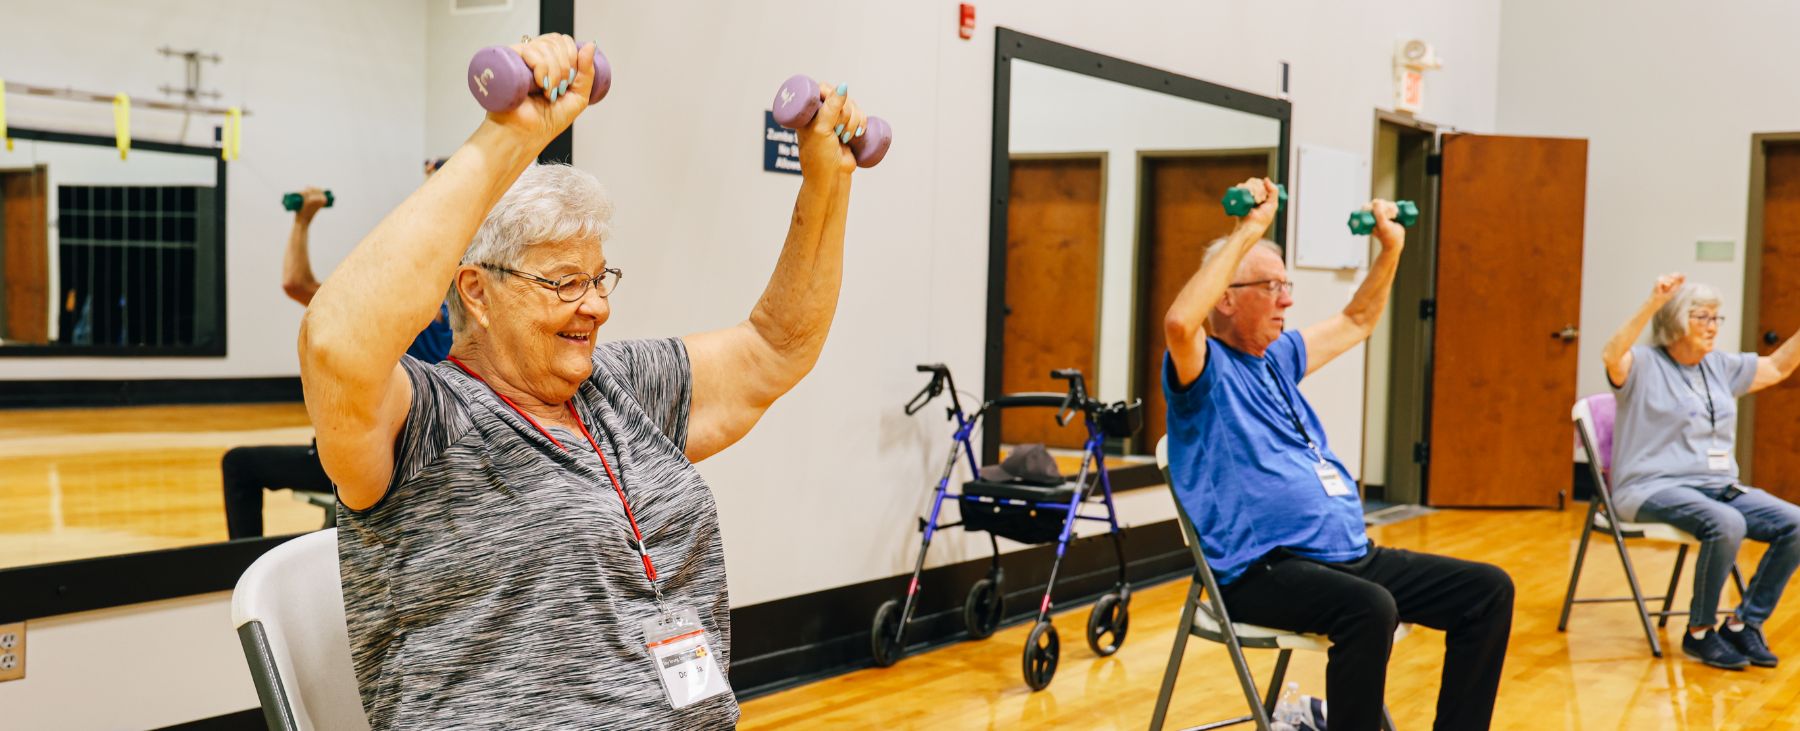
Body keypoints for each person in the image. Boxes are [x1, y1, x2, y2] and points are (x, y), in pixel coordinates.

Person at [299, 34, 866, 727]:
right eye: (564, 282)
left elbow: (775, 348)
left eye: (599, 278)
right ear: (476, 291)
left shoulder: (614, 387)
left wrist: (828, 181)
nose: (596, 305)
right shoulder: (426, 422)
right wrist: (509, 134)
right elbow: (333, 339)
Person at [1161, 179, 1514, 731]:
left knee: (1487, 591)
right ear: (1225, 298)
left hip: (1347, 556)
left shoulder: (1277, 359)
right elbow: (1181, 323)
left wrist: (1391, 249)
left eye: (1287, 284)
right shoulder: (1205, 375)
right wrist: (1249, 229)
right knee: (1369, 607)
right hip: (1263, 571)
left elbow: (1357, 320)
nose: (1288, 299)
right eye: (1271, 286)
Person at [220, 177, 454, 540]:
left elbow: (295, 283)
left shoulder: (394, 313)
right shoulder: (459, 317)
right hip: (417, 459)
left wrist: (303, 219)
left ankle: (245, 574)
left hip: (372, 459)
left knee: (239, 464)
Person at [1602, 273, 1800, 669]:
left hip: (1716, 485)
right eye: (1703, 318)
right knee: (1726, 523)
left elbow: (1778, 367)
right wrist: (1652, 302)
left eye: (1716, 319)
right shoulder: (1641, 365)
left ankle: (1744, 624)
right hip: (1648, 487)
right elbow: (1611, 355)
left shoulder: (1719, 367)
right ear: (1676, 320)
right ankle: (1699, 632)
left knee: (1795, 523)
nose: (1713, 327)